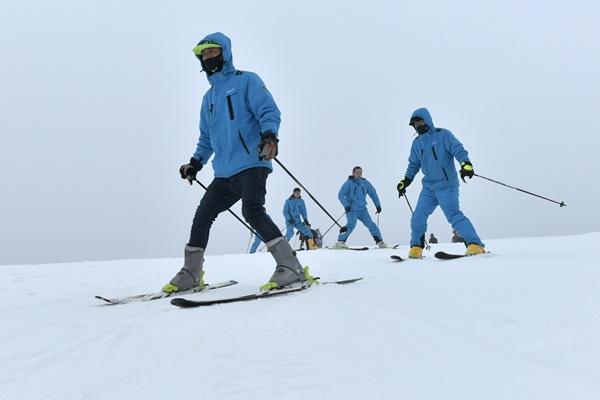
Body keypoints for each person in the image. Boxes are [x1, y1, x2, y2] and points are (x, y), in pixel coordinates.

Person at [163, 32, 312, 293]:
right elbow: (206, 138)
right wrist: (195, 162)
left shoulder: (247, 81)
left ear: (225, 53)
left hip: (253, 161)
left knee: (252, 210)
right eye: (204, 54)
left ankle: (290, 267)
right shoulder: (208, 99)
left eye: (212, 52)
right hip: (224, 171)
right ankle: (191, 272)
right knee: (202, 215)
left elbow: (269, 111)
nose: (208, 57)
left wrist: (269, 136)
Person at [396, 107, 485, 258]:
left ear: (427, 120)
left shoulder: (443, 135)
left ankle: (475, 244)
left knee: (453, 215)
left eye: (420, 121)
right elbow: (413, 164)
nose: (418, 125)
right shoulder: (416, 143)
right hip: (429, 188)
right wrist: (405, 181)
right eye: (415, 124)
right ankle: (416, 247)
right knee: (418, 216)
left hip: (447, 185)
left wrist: (466, 164)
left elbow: (458, 149)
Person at [334, 166, 387, 249]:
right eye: (357, 173)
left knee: (371, 225)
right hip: (352, 209)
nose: (359, 174)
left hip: (363, 210)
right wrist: (346, 205)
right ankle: (340, 242)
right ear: (353, 173)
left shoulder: (365, 183)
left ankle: (380, 241)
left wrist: (378, 205)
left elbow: (373, 193)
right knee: (351, 225)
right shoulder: (348, 183)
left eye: (360, 173)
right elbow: (341, 195)